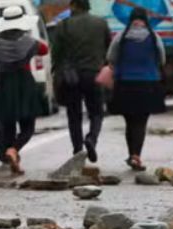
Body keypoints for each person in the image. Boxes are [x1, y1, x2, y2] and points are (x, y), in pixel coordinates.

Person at [0, 6, 48, 175]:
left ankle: (13, 157)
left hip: (3, 87)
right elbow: (44, 50)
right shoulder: (28, 41)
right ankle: (14, 150)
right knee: (28, 127)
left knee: (8, 127)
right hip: (24, 86)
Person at [107, 8, 167, 171]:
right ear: (145, 19)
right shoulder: (154, 37)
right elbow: (162, 59)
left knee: (130, 121)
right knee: (141, 122)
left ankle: (132, 154)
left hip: (125, 84)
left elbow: (111, 58)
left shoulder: (121, 37)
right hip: (147, 84)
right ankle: (136, 155)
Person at [53, 0, 111, 163]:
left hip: (71, 77)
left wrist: (57, 75)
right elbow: (109, 48)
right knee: (97, 113)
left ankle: (78, 150)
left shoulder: (63, 26)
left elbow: (56, 54)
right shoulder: (101, 23)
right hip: (94, 73)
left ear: (73, 6)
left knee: (74, 115)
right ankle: (92, 138)